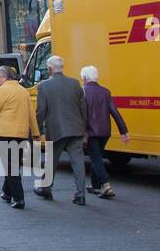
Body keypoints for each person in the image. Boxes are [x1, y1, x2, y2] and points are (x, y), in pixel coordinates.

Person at [0, 65, 39, 210]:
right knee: (14, 165)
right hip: (21, 134)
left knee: (11, 167)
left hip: (5, 134)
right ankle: (6, 192)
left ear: (5, 77)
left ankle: (19, 199)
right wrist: (36, 132)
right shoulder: (23, 91)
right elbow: (31, 114)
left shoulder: (2, 91)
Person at [34, 56, 89, 205]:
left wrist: (37, 130)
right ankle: (81, 194)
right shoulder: (75, 83)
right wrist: (84, 129)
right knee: (78, 162)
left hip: (56, 129)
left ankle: (46, 188)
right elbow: (83, 108)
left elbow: (41, 110)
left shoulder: (44, 86)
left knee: (51, 161)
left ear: (50, 69)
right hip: (76, 128)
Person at [81, 65, 130, 199]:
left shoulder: (83, 92)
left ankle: (106, 185)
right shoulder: (105, 91)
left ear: (84, 78)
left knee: (95, 158)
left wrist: (82, 131)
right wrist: (123, 131)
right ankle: (95, 185)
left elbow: (83, 115)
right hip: (105, 131)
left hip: (91, 132)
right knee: (96, 157)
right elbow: (114, 112)